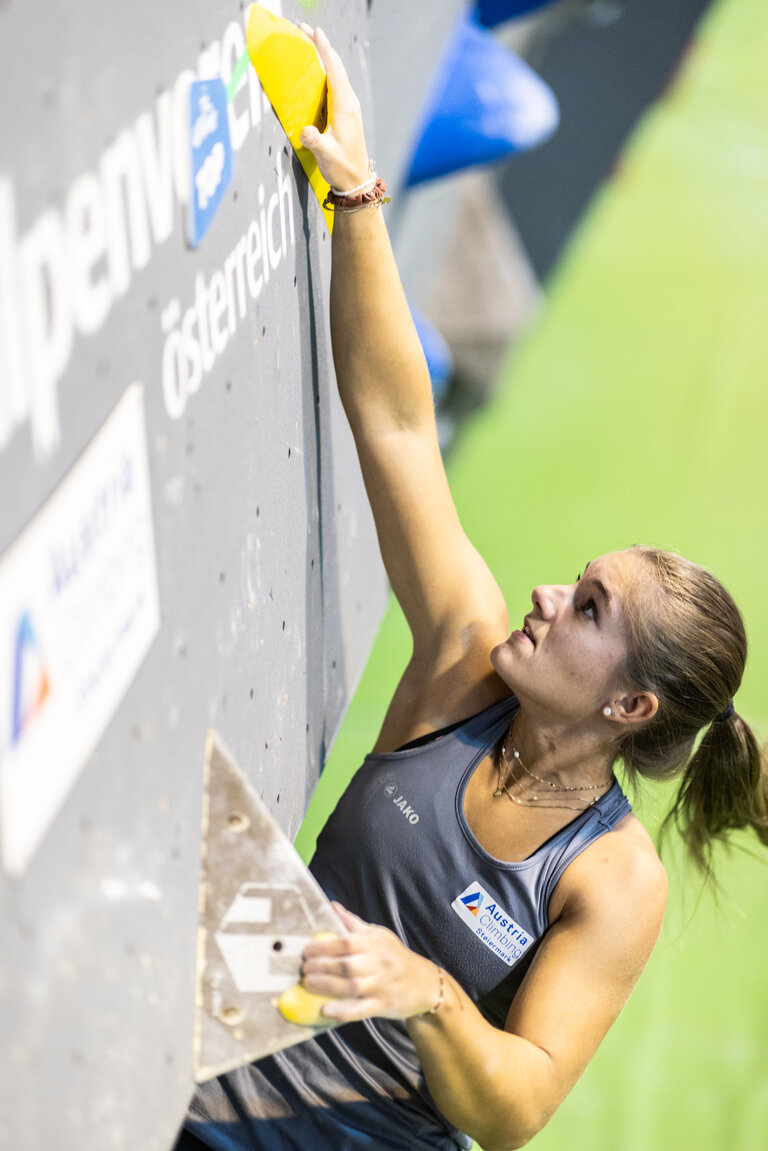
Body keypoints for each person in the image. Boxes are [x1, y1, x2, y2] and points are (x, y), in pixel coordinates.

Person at [177, 25, 767, 1151]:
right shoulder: (463, 656)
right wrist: (358, 201)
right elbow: (398, 423)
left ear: (630, 706)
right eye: (579, 580)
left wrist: (428, 989)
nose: (549, 593)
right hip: (194, 1099)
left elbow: (516, 1108)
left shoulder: (610, 874)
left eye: (589, 607)